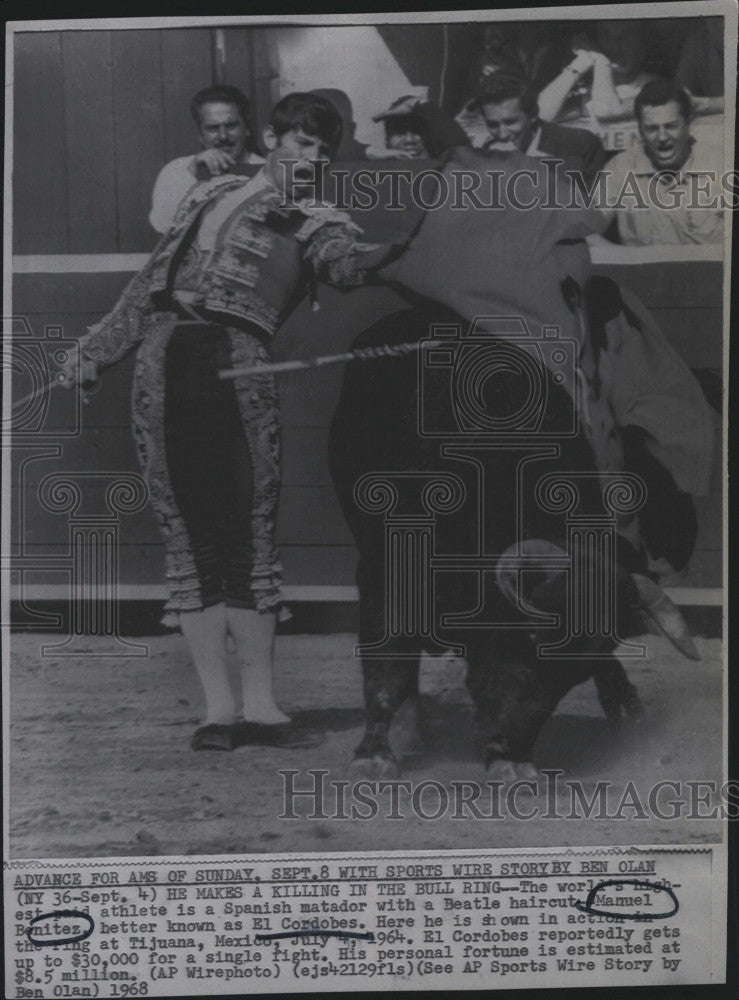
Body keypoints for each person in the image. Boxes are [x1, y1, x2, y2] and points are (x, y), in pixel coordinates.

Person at [62, 93, 393, 752]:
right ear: (269, 138)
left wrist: (386, 256)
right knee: (188, 540)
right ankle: (219, 709)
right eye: (300, 145)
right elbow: (146, 286)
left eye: (322, 153)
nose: (311, 161)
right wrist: (95, 350)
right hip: (161, 364)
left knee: (247, 536)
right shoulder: (203, 193)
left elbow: (343, 263)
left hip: (238, 367)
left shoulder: (319, 219)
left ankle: (263, 704)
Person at [600, 79, 724, 245]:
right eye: (652, 129)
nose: (662, 137)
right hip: (642, 270)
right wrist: (617, 255)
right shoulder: (620, 168)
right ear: (640, 130)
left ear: (689, 124)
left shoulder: (721, 165)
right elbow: (585, 230)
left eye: (671, 126)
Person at [148, 84, 264, 234]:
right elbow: (163, 226)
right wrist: (193, 173)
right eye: (212, 128)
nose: (223, 136)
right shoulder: (178, 170)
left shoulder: (267, 171)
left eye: (231, 126)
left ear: (247, 128)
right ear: (200, 135)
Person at [467, 74, 608, 182]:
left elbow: (592, 210)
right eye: (493, 125)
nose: (502, 134)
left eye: (510, 122)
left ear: (533, 114)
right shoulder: (486, 152)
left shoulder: (580, 146)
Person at [538, 20, 655, 124]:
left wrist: (600, 60)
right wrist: (579, 64)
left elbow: (606, 112)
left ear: (641, 46)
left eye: (626, 36)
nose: (616, 45)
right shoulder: (588, 88)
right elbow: (539, 115)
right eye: (606, 35)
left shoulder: (654, 85)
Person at [367, 95, 468, 160]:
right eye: (400, 132)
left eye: (418, 131)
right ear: (386, 141)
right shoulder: (371, 177)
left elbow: (463, 151)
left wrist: (420, 104)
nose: (409, 140)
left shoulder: (448, 174)